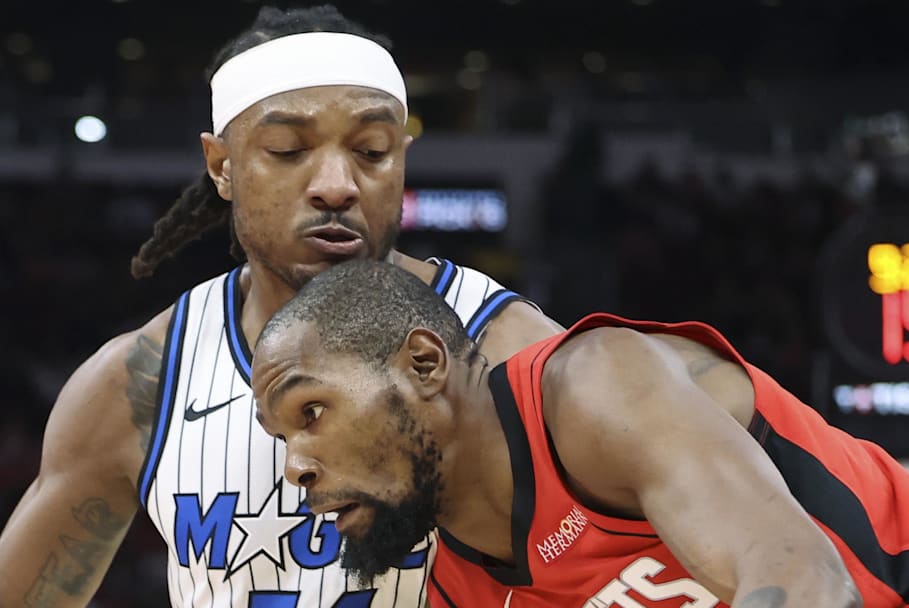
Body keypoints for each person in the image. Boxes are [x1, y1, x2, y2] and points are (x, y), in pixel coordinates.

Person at [0, 5, 562, 607]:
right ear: (222, 166)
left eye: (372, 151)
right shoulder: (140, 382)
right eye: (289, 151)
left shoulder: (509, 349)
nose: (337, 185)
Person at [252, 258, 909, 608]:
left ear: (425, 365)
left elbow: (806, 584)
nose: (296, 464)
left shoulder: (592, 388)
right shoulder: (458, 589)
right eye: (279, 436)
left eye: (311, 412)